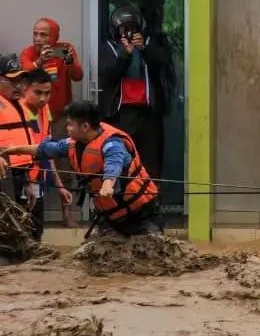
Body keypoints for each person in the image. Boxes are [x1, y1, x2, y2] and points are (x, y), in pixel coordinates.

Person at [0, 100, 162, 238]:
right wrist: (14, 150)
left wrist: (107, 184)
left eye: (70, 124)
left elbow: (114, 164)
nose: (66, 128)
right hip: (112, 218)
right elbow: (45, 149)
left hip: (141, 214)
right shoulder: (72, 144)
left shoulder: (113, 144)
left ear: (85, 126)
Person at [98, 5, 174, 181]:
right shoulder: (108, 48)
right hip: (120, 114)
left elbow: (164, 61)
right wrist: (125, 54)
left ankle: (151, 202)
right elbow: (110, 76)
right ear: (116, 29)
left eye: (133, 28)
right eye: (125, 29)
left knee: (150, 161)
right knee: (122, 158)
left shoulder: (148, 44)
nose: (129, 33)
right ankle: (122, 202)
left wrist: (144, 50)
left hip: (148, 112)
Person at [21, 18, 83, 228]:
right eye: (35, 33)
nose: (38, 38)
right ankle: (32, 216)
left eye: (44, 34)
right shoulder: (29, 53)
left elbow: (78, 76)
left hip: (60, 119)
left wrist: (69, 61)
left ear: (54, 36)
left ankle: (67, 213)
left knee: (64, 165)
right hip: (33, 117)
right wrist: (39, 62)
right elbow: (26, 73)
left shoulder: (64, 49)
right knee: (31, 163)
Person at [19, 68, 73, 237]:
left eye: (47, 93)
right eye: (38, 93)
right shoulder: (18, 113)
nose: (43, 98)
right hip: (17, 180)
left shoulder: (44, 109)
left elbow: (46, 151)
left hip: (37, 181)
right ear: (24, 88)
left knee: (36, 230)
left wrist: (60, 186)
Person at [0, 56, 40, 238]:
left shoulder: (23, 107)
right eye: (12, 80)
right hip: (3, 177)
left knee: (21, 227)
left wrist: (30, 181)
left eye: (20, 80)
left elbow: (30, 144)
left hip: (21, 176)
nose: (18, 86)